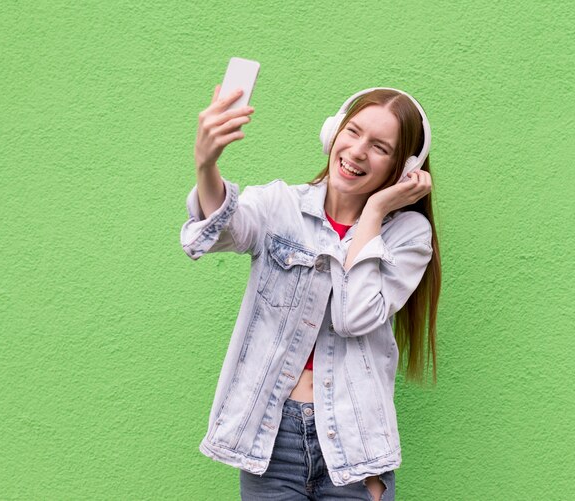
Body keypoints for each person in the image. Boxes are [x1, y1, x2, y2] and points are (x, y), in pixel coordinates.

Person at [181, 85, 442, 500]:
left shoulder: (408, 235)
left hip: (355, 445)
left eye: (380, 147)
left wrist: (374, 212)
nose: (357, 151)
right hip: (272, 439)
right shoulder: (279, 206)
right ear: (333, 132)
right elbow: (217, 232)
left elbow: (352, 316)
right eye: (353, 132)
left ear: (404, 168)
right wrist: (206, 163)